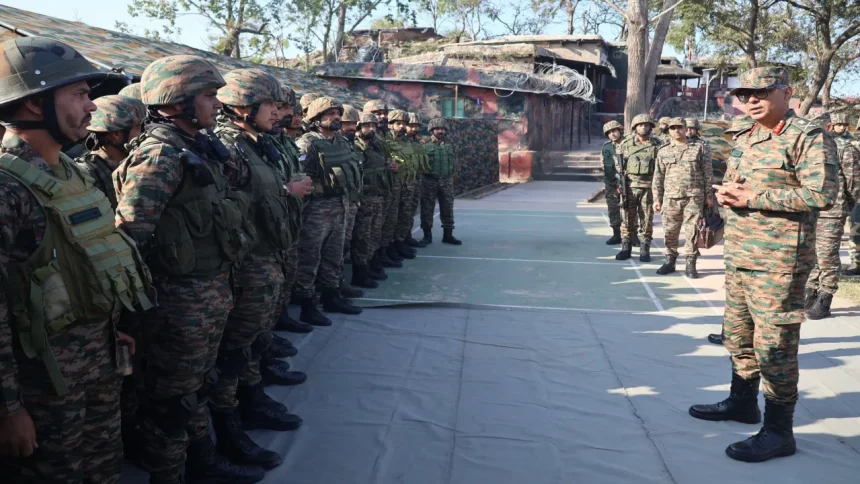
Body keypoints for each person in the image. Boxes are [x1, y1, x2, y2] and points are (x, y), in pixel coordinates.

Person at [0, 36, 150, 483]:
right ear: (33, 105)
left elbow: (86, 260)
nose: (92, 106)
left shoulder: (70, 171)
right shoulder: (8, 188)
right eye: (81, 94)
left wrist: (112, 329)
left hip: (97, 364)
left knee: (104, 469)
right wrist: (8, 409)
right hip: (43, 390)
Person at [115, 54, 264, 484]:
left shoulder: (196, 147)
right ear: (177, 101)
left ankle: (204, 460)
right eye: (209, 95)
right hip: (178, 301)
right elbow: (129, 240)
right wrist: (130, 315)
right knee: (173, 402)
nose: (217, 103)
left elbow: (238, 184)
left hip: (211, 290)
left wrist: (217, 149)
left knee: (196, 388)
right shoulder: (160, 155)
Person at [688, 66, 837, 463]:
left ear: (785, 93)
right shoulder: (745, 136)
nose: (750, 100)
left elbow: (821, 194)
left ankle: (778, 430)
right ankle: (742, 403)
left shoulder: (806, 137)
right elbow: (741, 188)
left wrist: (753, 196)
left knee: (775, 348)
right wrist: (723, 205)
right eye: (743, 94)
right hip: (740, 255)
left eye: (760, 92)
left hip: (780, 261)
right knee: (738, 337)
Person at [209, 68, 305, 471]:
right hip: (245, 264)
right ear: (241, 108)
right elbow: (223, 207)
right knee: (232, 351)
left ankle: (251, 400)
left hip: (267, 254)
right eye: (268, 104)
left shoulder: (256, 144)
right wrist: (286, 192)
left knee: (251, 341)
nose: (277, 111)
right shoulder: (227, 148)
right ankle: (231, 425)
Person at [75, 93, 148, 462]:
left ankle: (131, 427)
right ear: (116, 133)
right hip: (108, 289)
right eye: (138, 127)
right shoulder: (89, 173)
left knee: (135, 368)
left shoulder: (135, 164)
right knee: (118, 371)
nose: (144, 132)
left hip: (131, 281)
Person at [295, 97, 363, 325]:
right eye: (330, 113)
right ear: (316, 118)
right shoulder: (307, 143)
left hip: (341, 206)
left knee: (335, 256)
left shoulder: (342, 141)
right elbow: (300, 178)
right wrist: (322, 188)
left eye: (337, 113)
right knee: (310, 258)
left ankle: (332, 296)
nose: (336, 117)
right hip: (316, 210)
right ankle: (307, 304)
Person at [706, 115, 755, 346]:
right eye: (734, 134)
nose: (736, 138)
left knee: (755, 291)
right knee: (733, 287)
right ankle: (731, 333)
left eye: (740, 133)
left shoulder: (762, 155)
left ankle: (751, 339)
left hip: (758, 233)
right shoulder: (737, 154)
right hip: (736, 229)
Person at [805, 112, 860, 318]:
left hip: (833, 211)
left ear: (827, 127)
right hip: (811, 210)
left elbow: (854, 184)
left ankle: (825, 297)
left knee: (827, 255)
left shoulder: (845, 149)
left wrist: (844, 206)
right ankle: (810, 291)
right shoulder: (811, 148)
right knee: (812, 253)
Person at [653, 117, 712, 277]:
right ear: (669, 131)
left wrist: (709, 196)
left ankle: (690, 263)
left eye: (679, 127)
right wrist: (657, 198)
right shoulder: (664, 151)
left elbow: (707, 173)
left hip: (694, 197)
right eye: (673, 128)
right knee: (670, 231)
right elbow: (658, 176)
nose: (676, 130)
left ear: (686, 129)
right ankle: (670, 261)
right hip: (670, 198)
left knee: (692, 231)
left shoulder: (699, 148)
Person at [352, 112, 391, 287]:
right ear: (359, 127)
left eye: (374, 126)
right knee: (362, 236)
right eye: (367, 126)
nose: (371, 129)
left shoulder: (376, 145)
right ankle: (359, 273)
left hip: (377, 195)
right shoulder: (355, 146)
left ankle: (369, 266)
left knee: (374, 234)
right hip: (363, 198)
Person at [615, 114, 660, 261]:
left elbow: (661, 167)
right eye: (640, 125)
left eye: (646, 125)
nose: (643, 127)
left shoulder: (657, 145)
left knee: (646, 219)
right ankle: (626, 247)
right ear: (635, 127)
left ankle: (644, 249)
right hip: (629, 187)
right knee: (627, 218)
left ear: (650, 127)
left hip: (648, 187)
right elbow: (618, 164)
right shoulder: (626, 144)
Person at [337, 104, 365, 298]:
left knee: (343, 246)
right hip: (332, 206)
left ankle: (338, 284)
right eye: (347, 123)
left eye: (354, 123)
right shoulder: (318, 143)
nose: (351, 127)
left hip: (350, 202)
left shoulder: (349, 145)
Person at [387, 109, 423, 259]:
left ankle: (400, 242)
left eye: (404, 124)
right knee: (391, 219)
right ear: (391, 125)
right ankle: (390, 247)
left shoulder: (406, 142)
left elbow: (410, 162)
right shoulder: (385, 142)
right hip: (393, 187)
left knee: (404, 216)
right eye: (398, 124)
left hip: (407, 185)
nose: (402, 127)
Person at [421, 118, 462, 245]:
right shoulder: (424, 145)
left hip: (446, 181)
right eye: (438, 129)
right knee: (427, 208)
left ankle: (448, 235)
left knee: (448, 208)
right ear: (432, 130)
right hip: (429, 181)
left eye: (443, 129)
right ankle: (427, 236)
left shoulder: (450, 145)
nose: (441, 131)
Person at [405, 112, 429, 248]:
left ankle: (407, 236)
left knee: (411, 211)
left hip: (416, 181)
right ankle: (401, 239)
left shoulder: (418, 142)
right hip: (404, 183)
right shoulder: (401, 142)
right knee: (403, 212)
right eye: (411, 126)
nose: (414, 129)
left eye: (416, 126)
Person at [601, 120, 624, 245]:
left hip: (627, 181)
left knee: (629, 210)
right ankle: (616, 234)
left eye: (614, 131)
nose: (612, 134)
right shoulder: (607, 147)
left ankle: (632, 235)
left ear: (619, 130)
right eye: (609, 133)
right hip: (611, 182)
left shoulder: (628, 144)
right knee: (613, 208)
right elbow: (604, 163)